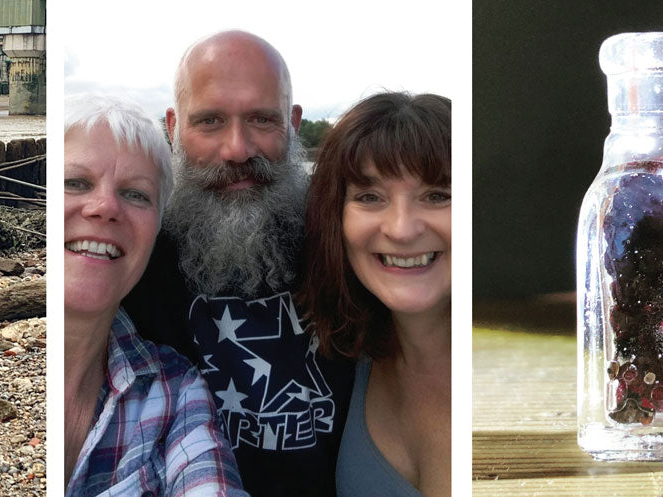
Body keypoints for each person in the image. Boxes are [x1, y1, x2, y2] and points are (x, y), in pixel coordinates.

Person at [122, 30, 355, 497]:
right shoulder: (131, 255)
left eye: (261, 119)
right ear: (173, 128)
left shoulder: (351, 244)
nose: (237, 149)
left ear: (292, 124)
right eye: (209, 121)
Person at [64, 94, 246, 496]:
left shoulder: (176, 392)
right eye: (74, 183)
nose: (105, 207)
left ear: (156, 230)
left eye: (136, 194)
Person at [297, 92, 452, 497]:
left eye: (437, 195)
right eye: (370, 197)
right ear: (336, 217)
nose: (401, 229)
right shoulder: (349, 362)